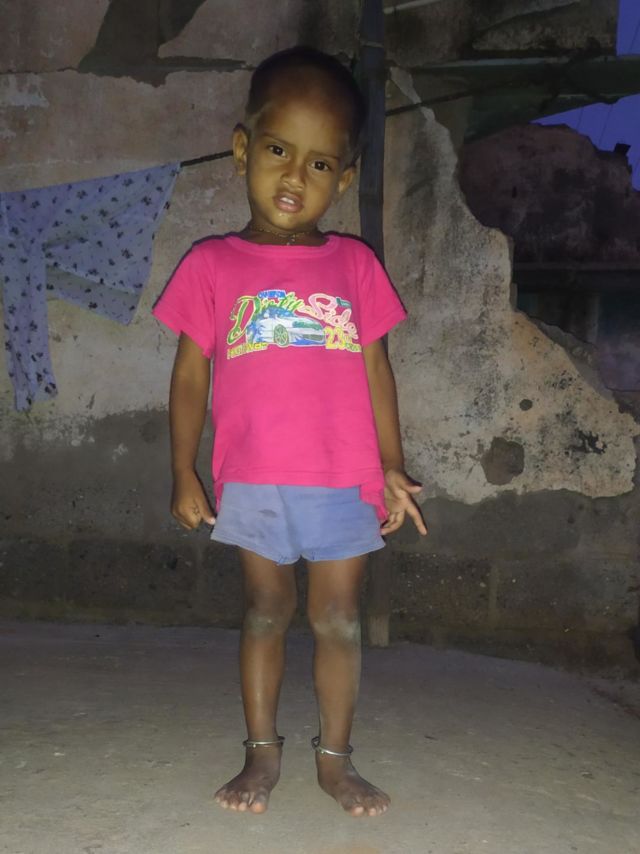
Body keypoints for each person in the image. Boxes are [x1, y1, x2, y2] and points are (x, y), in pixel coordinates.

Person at [153, 46, 427, 818]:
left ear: (343, 179)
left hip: (345, 476)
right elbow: (189, 377)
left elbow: (376, 371)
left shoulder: (355, 265)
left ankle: (336, 762)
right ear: (243, 149)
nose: (295, 177)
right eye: (279, 151)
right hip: (253, 476)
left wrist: (392, 465)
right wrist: (183, 469)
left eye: (319, 164)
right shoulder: (211, 265)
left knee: (337, 618)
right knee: (265, 610)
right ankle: (260, 753)